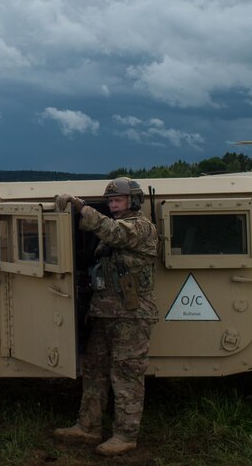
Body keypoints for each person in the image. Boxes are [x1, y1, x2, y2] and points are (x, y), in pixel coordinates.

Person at [53, 177, 158, 457]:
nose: (113, 205)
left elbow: (113, 232)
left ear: (133, 201)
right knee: (94, 371)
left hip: (132, 317)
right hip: (106, 314)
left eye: (118, 200)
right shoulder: (115, 231)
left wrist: (81, 207)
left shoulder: (141, 228)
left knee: (126, 376)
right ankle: (88, 426)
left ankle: (125, 435)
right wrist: (93, 310)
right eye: (110, 201)